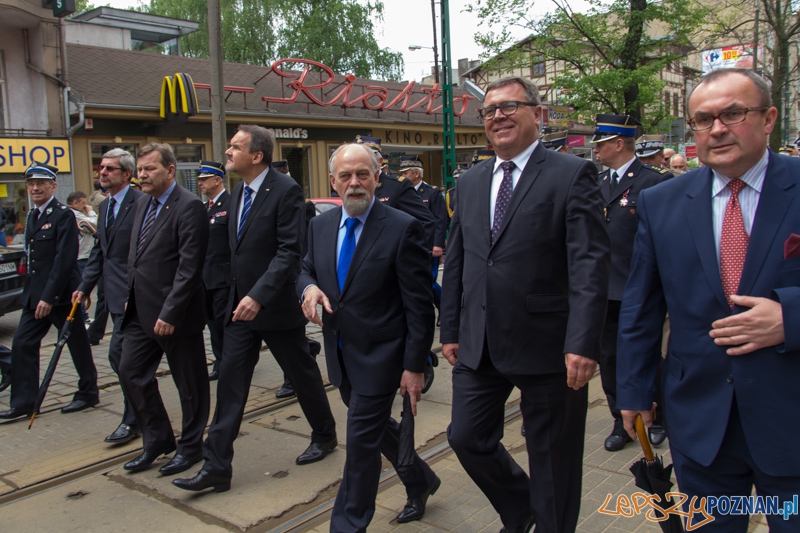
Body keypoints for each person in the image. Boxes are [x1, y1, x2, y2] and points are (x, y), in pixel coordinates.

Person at [618, 68, 800, 532]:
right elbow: (641, 306)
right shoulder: (661, 202)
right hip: (700, 422)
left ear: (769, 118)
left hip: (790, 418)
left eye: (733, 113)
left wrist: (792, 317)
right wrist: (634, 391)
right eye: (703, 119)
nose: (717, 129)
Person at [440, 76, 610, 533]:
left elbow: (590, 265)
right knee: (466, 437)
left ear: (537, 113)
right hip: (480, 343)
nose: (498, 115)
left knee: (553, 463)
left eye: (509, 106)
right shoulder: (470, 181)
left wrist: (583, 342)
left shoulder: (571, 174)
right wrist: (450, 328)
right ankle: (520, 508)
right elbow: (459, 259)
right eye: (489, 110)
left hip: (549, 347)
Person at [173, 125, 337, 493]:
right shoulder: (237, 194)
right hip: (239, 310)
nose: (227, 152)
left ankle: (325, 434)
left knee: (302, 374)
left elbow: (289, 251)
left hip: (275, 307)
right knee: (230, 384)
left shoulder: (286, 190)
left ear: (257, 155)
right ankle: (217, 466)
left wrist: (259, 295)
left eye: (235, 146)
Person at [298, 143, 440, 530]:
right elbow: (306, 268)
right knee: (376, 430)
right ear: (333, 181)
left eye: (363, 174)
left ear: (377, 177)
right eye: (346, 176)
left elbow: (419, 306)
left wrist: (414, 366)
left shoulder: (402, 227)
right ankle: (421, 480)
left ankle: (348, 524)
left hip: (382, 357)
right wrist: (308, 289)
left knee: (361, 446)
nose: (355, 183)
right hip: (341, 355)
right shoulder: (320, 226)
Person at [118, 143, 210, 475]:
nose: (142, 175)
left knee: (190, 384)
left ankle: (192, 447)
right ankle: (157, 438)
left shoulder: (189, 207)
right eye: (140, 169)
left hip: (176, 315)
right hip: (140, 309)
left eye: (149, 169)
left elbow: (189, 267)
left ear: (170, 171)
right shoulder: (142, 203)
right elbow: (136, 254)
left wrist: (171, 312)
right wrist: (130, 293)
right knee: (130, 371)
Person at [591, 114, 672, 451]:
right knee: (609, 358)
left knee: (648, 354)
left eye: (600, 144)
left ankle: (659, 415)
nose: (595, 150)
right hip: (605, 289)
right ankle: (620, 420)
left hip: (641, 288)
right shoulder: (596, 182)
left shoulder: (654, 182)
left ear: (619, 143)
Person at [0, 163, 99, 420]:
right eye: (31, 184)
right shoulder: (33, 215)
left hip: (61, 295)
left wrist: (49, 297)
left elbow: (65, 259)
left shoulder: (63, 215)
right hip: (36, 296)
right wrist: (36, 296)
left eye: (41, 184)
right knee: (22, 343)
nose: (35, 188)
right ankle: (24, 402)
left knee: (77, 344)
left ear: (53, 186)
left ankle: (88, 392)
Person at [74, 148, 144, 444]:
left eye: (110, 168)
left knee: (123, 358)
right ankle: (139, 415)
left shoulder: (142, 203)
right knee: (123, 359)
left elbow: (147, 252)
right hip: (116, 298)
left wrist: (136, 291)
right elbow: (100, 253)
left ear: (126, 174)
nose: (103, 172)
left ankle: (137, 418)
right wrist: (84, 287)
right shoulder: (104, 208)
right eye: (101, 168)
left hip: (138, 296)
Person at [269, 159, 322, 400]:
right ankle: (308, 348)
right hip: (271, 275)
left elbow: (303, 243)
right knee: (282, 332)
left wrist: (305, 276)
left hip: (292, 275)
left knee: (289, 329)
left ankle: (292, 379)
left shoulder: (300, 202)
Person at [352, 136, 435, 249]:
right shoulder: (352, 186)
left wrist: (409, 254)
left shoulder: (397, 186)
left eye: (364, 158)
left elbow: (426, 222)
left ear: (379, 161)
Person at [196, 160, 230, 381]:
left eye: (204, 179)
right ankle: (220, 362)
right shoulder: (205, 208)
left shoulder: (231, 204)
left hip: (224, 278)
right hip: (206, 278)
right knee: (213, 325)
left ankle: (230, 362)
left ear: (217, 180)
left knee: (225, 324)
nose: (200, 183)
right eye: (199, 180)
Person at [67, 191, 97, 323]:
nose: (85, 206)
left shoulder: (75, 214)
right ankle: (81, 317)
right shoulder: (75, 215)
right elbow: (94, 225)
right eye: (83, 203)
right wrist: (91, 212)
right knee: (82, 287)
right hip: (81, 256)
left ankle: (82, 316)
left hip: (83, 254)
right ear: (75, 203)